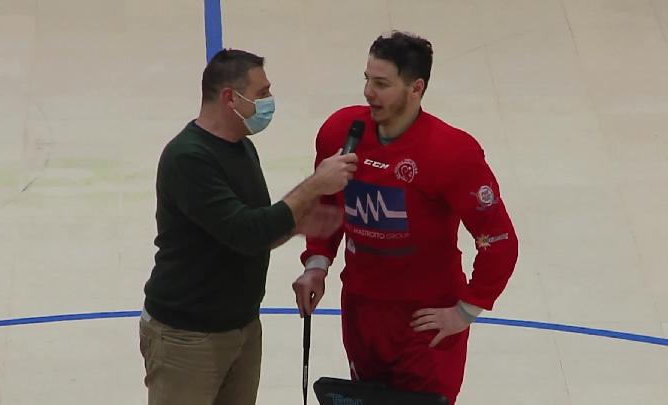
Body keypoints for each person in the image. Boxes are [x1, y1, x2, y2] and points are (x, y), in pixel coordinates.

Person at [292, 31, 519, 404]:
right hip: (362, 314)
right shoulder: (339, 132)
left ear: (416, 88)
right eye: (367, 79)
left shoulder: (452, 152)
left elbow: (498, 240)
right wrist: (317, 264)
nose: (368, 92)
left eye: (381, 84)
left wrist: (467, 310)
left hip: (425, 323)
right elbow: (327, 204)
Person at [139, 48, 358, 405]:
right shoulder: (188, 158)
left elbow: (256, 230)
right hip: (187, 337)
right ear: (230, 98)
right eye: (262, 93)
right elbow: (247, 231)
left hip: (241, 327)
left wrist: (296, 226)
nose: (269, 102)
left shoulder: (241, 148)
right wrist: (316, 184)